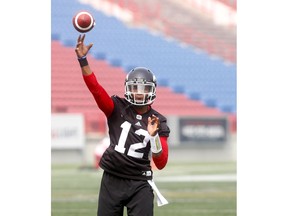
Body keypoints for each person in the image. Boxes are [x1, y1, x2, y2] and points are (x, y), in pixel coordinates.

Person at [75, 34, 170, 216]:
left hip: (140, 182)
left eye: (144, 89)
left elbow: (161, 162)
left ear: (152, 90)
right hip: (112, 179)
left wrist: (154, 136)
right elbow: (96, 89)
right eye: (135, 88)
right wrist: (83, 60)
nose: (139, 93)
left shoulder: (158, 120)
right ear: (127, 88)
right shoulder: (117, 107)